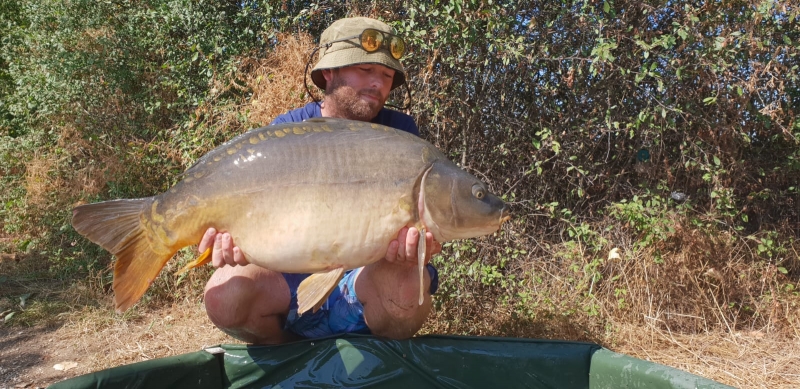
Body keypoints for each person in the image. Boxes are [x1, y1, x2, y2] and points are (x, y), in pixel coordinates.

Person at [199, 17, 443, 344]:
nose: (378, 84)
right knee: (222, 295)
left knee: (406, 288)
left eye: (386, 76)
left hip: (364, 280)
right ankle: (290, 358)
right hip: (288, 285)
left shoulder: (400, 134)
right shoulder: (285, 132)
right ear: (329, 72)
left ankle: (372, 359)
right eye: (366, 70)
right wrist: (238, 242)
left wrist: (419, 247)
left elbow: (416, 227)